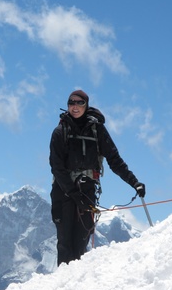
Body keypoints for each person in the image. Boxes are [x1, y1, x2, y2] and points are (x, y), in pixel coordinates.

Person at [49, 89, 145, 266]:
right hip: (63, 193)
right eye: (71, 102)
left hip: (86, 192)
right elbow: (57, 167)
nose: (75, 107)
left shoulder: (97, 130)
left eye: (79, 103)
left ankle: (77, 289)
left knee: (80, 244)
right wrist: (74, 195)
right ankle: (63, 289)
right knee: (65, 245)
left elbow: (114, 160)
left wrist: (134, 182)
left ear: (86, 105)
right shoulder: (60, 131)